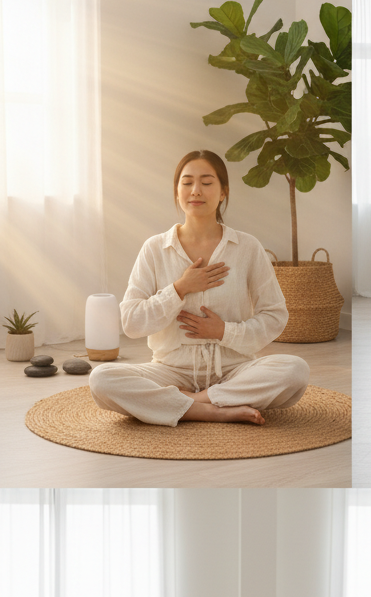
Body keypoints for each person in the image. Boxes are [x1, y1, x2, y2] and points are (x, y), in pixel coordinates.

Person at [89, 150, 309, 426]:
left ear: (223, 192)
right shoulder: (155, 249)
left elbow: (275, 315)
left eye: (206, 182)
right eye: (187, 182)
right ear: (177, 191)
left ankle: (193, 401)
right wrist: (179, 289)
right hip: (171, 371)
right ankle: (212, 409)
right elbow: (131, 322)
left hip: (234, 369)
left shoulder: (247, 247)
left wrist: (224, 332)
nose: (196, 191)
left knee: (294, 371)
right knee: (102, 379)